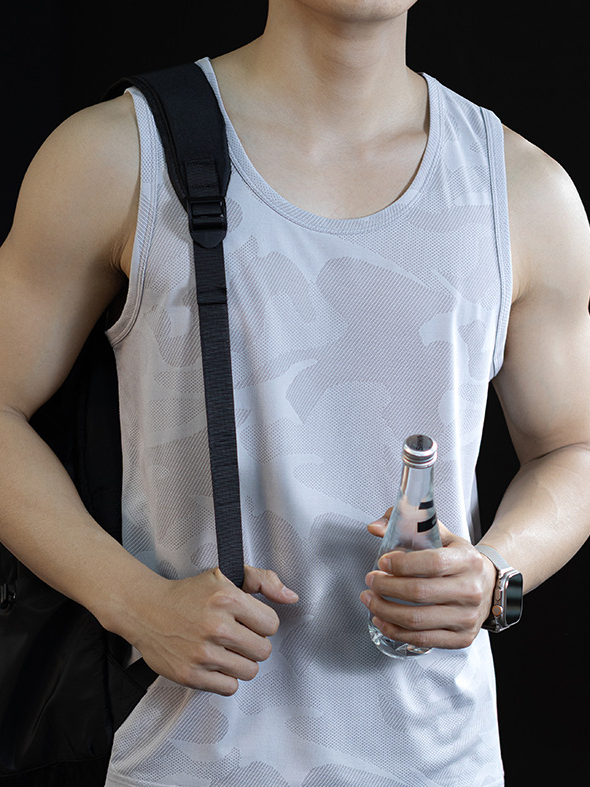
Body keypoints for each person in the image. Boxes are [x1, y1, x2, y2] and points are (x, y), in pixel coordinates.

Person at [1, 1, 589, 784]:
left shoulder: (523, 190)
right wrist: (131, 601)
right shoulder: (118, 154)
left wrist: (493, 575)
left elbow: (573, 448)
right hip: (187, 757)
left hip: (438, 758)